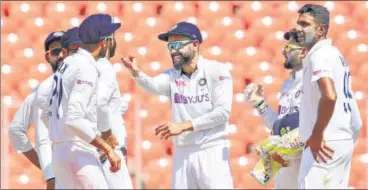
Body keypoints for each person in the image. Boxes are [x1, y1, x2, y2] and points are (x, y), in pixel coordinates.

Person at [121, 21, 234, 189]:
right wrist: (137, 74)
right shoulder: (172, 76)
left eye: (177, 45)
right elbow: (153, 85)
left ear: (195, 44)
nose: (173, 50)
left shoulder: (216, 71)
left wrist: (184, 126)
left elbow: (222, 113)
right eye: (170, 46)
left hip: (211, 150)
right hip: (183, 152)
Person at [48, 13, 121, 188]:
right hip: (77, 152)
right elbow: (74, 118)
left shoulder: (67, 63)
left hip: (60, 152)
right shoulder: (85, 66)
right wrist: (107, 148)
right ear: (103, 43)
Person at [295, 4, 362, 189]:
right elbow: (356, 119)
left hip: (324, 143)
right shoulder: (336, 55)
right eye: (298, 23)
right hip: (341, 140)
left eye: (304, 24)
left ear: (321, 29)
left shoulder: (320, 54)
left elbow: (330, 96)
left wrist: (317, 134)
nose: (298, 29)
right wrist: (346, 139)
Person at [244, 29, 307, 188]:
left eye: (289, 47)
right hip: (286, 171)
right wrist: (260, 105)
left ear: (303, 52)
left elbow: (316, 126)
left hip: (308, 168)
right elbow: (279, 126)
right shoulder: (287, 85)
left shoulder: (316, 82)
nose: (282, 51)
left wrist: (286, 142)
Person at [8, 31, 65, 189]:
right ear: (47, 57)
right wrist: (49, 170)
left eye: (65, 50)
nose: (61, 55)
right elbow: (16, 130)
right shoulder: (43, 91)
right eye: (55, 51)